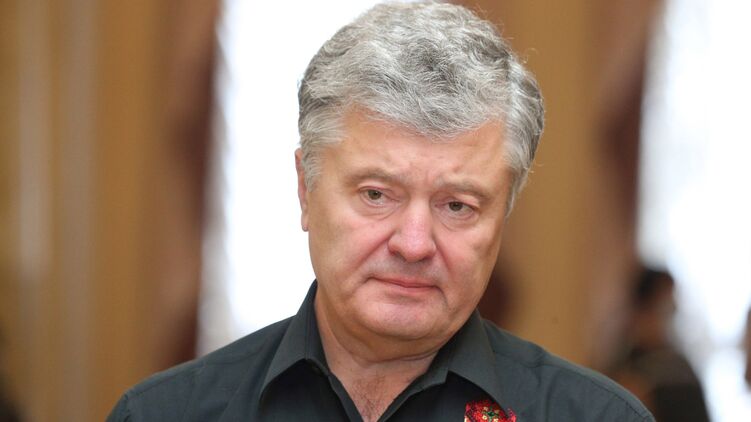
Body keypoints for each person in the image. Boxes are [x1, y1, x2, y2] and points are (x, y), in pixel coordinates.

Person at [107, 3, 653, 421]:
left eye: (457, 205)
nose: (414, 244)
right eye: (376, 195)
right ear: (305, 189)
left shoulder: (596, 417)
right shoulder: (164, 414)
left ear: (503, 215)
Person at [610, 267, 710, 422]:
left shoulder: (679, 370)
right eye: (665, 306)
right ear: (642, 308)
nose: (672, 311)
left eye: (672, 308)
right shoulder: (620, 367)